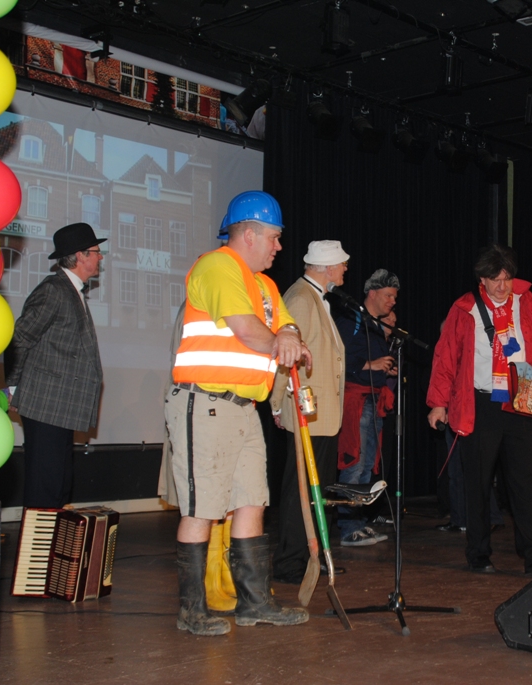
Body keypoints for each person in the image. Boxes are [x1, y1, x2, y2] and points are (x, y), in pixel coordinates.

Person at [165, 190, 311, 635]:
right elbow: (248, 330)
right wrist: (283, 342)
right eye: (274, 237)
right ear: (249, 234)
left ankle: (255, 603)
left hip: (246, 409)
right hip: (205, 403)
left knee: (251, 501)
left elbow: (285, 322)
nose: (279, 247)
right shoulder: (217, 267)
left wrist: (289, 333)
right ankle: (192, 610)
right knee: (202, 508)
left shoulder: (265, 285)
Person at [427, 244, 532, 575]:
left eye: (507, 279)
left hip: (520, 399)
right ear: (482, 280)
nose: (502, 287)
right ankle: (478, 553)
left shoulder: (526, 301)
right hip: (481, 404)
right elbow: (446, 357)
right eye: (495, 279)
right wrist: (438, 403)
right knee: (478, 482)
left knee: (525, 482)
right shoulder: (464, 309)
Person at [6, 222, 105, 509]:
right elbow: (20, 338)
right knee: (45, 487)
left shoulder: (72, 291)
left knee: (58, 485)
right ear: (80, 256)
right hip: (45, 404)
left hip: (61, 407)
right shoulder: (54, 290)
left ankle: (51, 538)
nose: (100, 257)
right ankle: (36, 539)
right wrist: (13, 386)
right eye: (96, 251)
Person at [269, 240, 350, 583]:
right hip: (307, 412)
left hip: (321, 413)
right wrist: (276, 403)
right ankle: (290, 562)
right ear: (328, 268)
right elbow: (283, 357)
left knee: (320, 489)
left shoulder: (316, 297)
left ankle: (315, 557)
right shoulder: (301, 298)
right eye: (342, 264)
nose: (345, 269)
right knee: (299, 489)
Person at [333, 269, 399, 546]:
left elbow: (368, 362)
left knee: (367, 465)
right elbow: (335, 357)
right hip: (356, 400)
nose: (392, 301)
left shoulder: (375, 325)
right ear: (372, 294)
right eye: (388, 295)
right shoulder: (352, 319)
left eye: (394, 297)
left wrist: (384, 369)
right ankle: (348, 528)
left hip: (373, 400)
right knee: (354, 463)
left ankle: (358, 522)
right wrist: (369, 365)